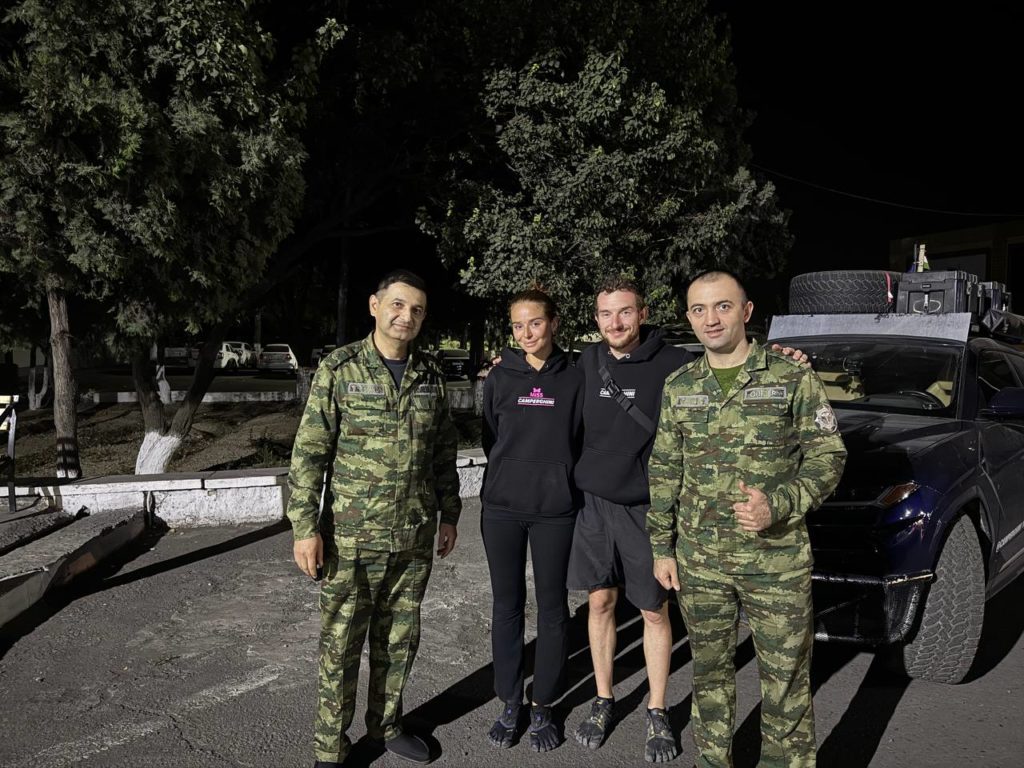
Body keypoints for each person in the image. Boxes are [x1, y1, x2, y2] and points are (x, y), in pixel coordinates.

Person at [647, 269, 847, 768]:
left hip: (775, 560)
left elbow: (828, 456)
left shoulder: (790, 375)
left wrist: (778, 503)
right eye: (699, 309)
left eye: (723, 306)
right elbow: (665, 468)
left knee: (785, 682)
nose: (711, 319)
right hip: (701, 561)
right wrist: (662, 548)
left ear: (746, 311)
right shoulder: (679, 385)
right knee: (709, 676)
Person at [286, 269, 462, 768]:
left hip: (412, 537)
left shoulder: (430, 375)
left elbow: (443, 451)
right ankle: (330, 748)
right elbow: (309, 454)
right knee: (340, 646)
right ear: (374, 305)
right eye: (398, 305)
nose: (407, 316)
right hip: (350, 539)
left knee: (399, 640)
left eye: (417, 309)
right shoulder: (341, 369)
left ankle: (386, 726)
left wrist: (449, 513)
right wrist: (304, 528)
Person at [567, 276, 693, 763]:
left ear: (642, 313)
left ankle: (657, 709)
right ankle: (604, 697)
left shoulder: (675, 364)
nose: (615, 323)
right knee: (599, 602)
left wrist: (785, 356)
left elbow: (729, 367)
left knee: (653, 610)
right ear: (596, 318)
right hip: (593, 506)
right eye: (605, 314)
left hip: (647, 510)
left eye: (624, 312)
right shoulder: (587, 361)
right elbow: (545, 382)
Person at [480, 288, 585, 753]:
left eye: (535, 323)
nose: (526, 333)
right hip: (502, 509)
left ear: (554, 323)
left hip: (555, 511)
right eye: (518, 325)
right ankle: (509, 700)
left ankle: (543, 702)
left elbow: (580, 437)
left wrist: (557, 479)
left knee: (552, 607)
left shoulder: (576, 377)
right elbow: (491, 437)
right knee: (507, 606)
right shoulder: (499, 378)